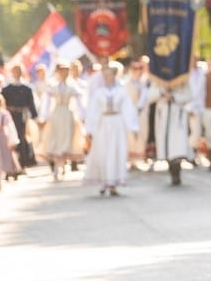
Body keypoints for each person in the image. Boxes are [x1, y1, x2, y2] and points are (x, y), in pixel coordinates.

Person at [82, 62, 139, 197]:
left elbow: (128, 109)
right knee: (102, 152)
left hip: (117, 124)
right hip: (103, 125)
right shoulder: (99, 93)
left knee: (116, 151)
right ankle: (104, 180)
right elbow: (93, 112)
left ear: (114, 76)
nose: (107, 78)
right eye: (105, 76)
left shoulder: (121, 91)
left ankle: (113, 183)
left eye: (110, 75)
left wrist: (133, 127)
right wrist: (90, 130)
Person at [38, 61, 83, 181]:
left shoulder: (72, 86)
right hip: (56, 115)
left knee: (66, 139)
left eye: (66, 71)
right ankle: (57, 167)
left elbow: (80, 103)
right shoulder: (53, 87)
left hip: (68, 115)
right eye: (62, 71)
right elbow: (46, 103)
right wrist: (43, 116)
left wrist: (83, 116)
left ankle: (62, 164)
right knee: (56, 139)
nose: (64, 73)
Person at [2, 65, 37, 176]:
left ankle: (22, 163)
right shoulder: (6, 89)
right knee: (11, 140)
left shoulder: (26, 88)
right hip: (10, 117)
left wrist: (34, 116)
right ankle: (11, 166)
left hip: (22, 116)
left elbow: (31, 104)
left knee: (22, 140)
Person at [0, 92, 22, 192]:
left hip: (3, 137)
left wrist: (13, 139)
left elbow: (10, 127)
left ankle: (7, 175)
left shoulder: (5, 114)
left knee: (4, 157)